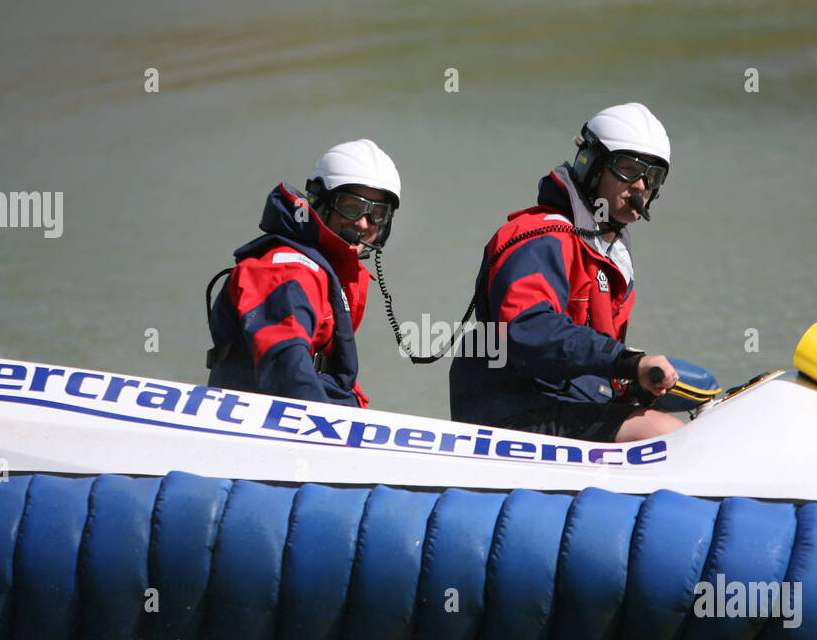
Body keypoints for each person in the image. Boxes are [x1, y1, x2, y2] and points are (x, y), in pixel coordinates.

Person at [449, 103, 685, 442]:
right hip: (512, 413)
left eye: (653, 176)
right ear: (590, 164)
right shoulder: (542, 237)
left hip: (564, 406)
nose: (640, 186)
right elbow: (528, 327)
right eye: (628, 169)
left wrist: (639, 381)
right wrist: (626, 361)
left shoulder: (609, 250)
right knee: (663, 434)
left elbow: (587, 357)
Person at [205, 138, 400, 407]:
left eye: (378, 213)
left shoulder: (331, 267)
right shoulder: (288, 271)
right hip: (268, 425)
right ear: (320, 201)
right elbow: (286, 369)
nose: (364, 223)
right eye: (352, 207)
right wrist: (326, 433)